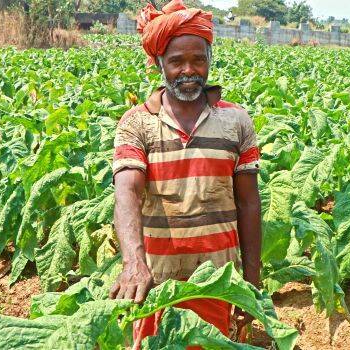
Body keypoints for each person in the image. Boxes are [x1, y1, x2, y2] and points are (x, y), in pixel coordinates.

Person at [109, 0, 262, 347]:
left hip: (217, 279)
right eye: (177, 61)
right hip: (156, 282)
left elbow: (249, 203)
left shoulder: (236, 122)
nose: (188, 70)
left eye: (198, 60)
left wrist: (252, 277)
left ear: (210, 61)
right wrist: (134, 262)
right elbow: (127, 192)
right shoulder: (137, 123)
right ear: (160, 64)